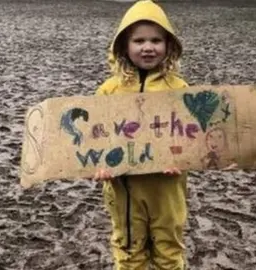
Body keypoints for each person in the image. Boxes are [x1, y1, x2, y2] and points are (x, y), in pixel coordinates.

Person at [93, 0, 189, 269]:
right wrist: (99, 163)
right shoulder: (109, 90)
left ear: (168, 45)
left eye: (156, 40)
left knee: (168, 249)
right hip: (124, 189)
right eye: (139, 40)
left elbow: (190, 135)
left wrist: (180, 157)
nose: (148, 47)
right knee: (128, 248)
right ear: (124, 45)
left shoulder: (180, 88)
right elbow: (96, 134)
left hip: (166, 187)